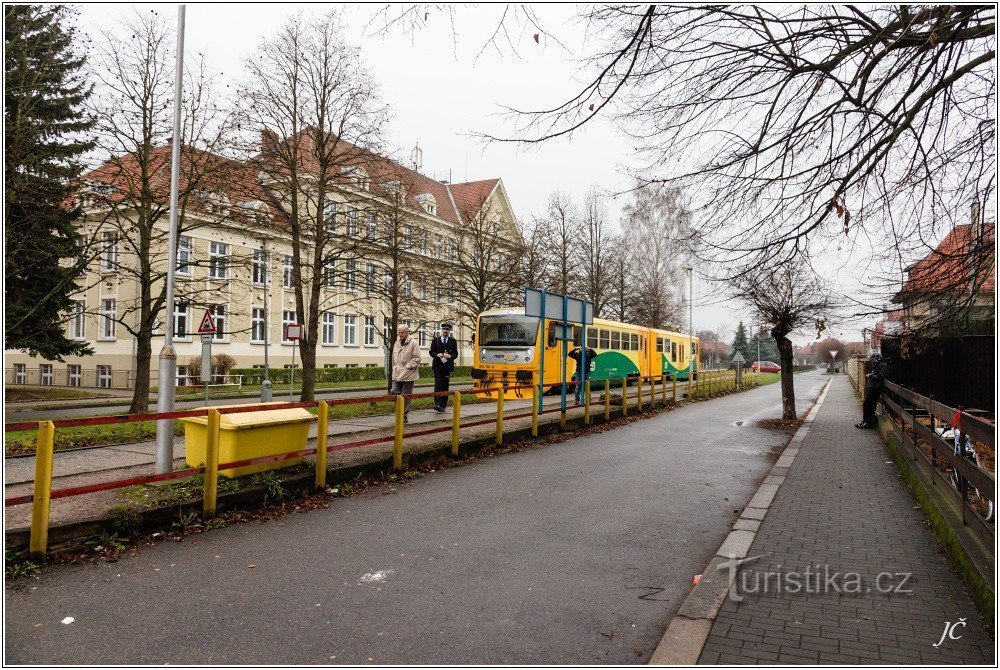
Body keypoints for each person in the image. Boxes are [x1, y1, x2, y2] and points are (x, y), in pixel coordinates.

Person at [391, 325, 421, 423]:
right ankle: (399, 411)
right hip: (397, 373)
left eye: (402, 332)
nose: (400, 334)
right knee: (394, 391)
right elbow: (393, 358)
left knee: (405, 396)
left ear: (407, 332)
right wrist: (394, 367)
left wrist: (408, 366)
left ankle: (403, 416)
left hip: (408, 374)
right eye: (399, 332)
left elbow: (417, 358)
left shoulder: (413, 343)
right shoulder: (396, 343)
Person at [429, 322, 459, 412]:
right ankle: (437, 403)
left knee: (445, 386)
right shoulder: (435, 340)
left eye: (447, 329)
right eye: (444, 329)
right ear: (441, 330)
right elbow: (431, 351)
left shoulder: (453, 341)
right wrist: (437, 354)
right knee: (438, 385)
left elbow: (455, 354)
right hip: (437, 366)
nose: (445, 331)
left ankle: (443, 405)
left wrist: (450, 356)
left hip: (447, 367)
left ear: (449, 331)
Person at [856, 351, 890, 429]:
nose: (872, 362)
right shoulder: (879, 365)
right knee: (868, 405)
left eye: (872, 360)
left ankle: (868, 422)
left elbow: (881, 376)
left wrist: (871, 376)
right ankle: (866, 421)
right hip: (874, 387)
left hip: (876, 388)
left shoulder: (883, 365)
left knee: (869, 405)